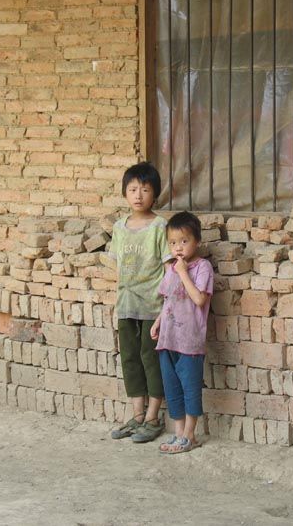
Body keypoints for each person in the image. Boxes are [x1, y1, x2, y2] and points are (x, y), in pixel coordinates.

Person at [109, 162, 172, 443]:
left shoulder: (160, 227)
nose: (138, 195)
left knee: (151, 358)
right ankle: (137, 416)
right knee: (130, 358)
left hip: (152, 306)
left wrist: (166, 307)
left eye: (145, 190)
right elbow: (118, 267)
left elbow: (169, 268)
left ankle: (153, 418)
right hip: (126, 304)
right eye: (133, 189)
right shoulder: (119, 228)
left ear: (154, 194)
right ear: (125, 193)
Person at [150, 211, 214, 454]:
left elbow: (199, 299)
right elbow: (168, 299)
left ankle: (190, 435)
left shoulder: (202, 267)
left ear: (197, 241)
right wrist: (158, 322)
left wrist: (183, 272)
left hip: (189, 340)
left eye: (184, 241)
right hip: (168, 338)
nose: (178, 247)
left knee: (190, 387)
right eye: (173, 242)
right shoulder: (171, 269)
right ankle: (178, 434)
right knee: (172, 387)